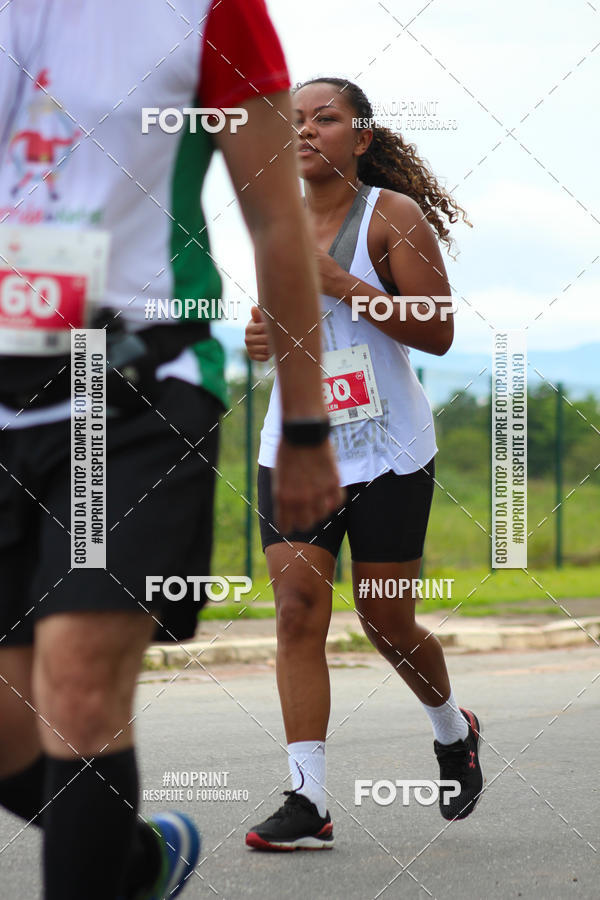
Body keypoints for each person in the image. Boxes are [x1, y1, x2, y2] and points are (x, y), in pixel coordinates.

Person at [0, 3, 341, 898]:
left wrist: (302, 424)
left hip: (134, 383)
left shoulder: (208, 9)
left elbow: (273, 223)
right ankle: (138, 860)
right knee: (7, 728)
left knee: (76, 685)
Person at [244, 77, 484, 852]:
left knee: (385, 621)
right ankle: (306, 797)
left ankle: (452, 730)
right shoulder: (273, 223)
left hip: (389, 452)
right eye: (295, 122)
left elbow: (438, 329)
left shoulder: (394, 217)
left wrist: (347, 283)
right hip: (300, 445)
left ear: (364, 136)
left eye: (327, 119)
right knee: (296, 613)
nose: (307, 131)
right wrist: (263, 338)